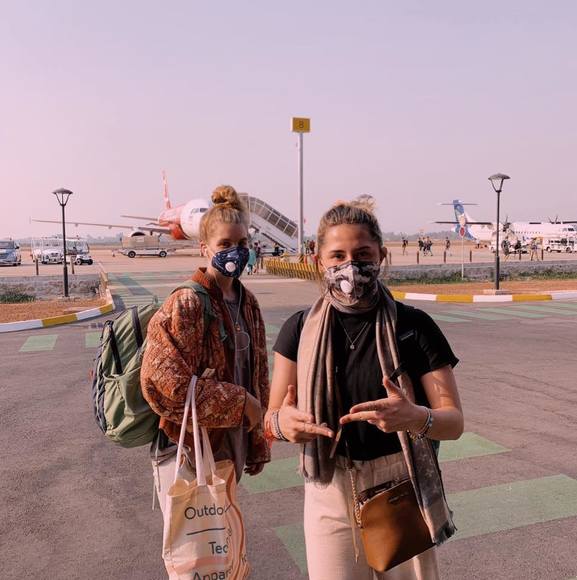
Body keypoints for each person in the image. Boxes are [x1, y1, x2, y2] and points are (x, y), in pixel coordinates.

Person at [266, 197, 463, 580]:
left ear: (381, 256)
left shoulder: (414, 327)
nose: (350, 267)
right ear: (318, 260)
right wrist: (282, 424)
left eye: (362, 254)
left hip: (399, 484)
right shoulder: (299, 329)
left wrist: (416, 417)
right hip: (328, 487)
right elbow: (271, 419)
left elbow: (453, 422)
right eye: (337, 256)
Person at [141, 185, 271, 509]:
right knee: (195, 539)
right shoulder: (187, 303)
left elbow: (258, 375)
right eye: (225, 244)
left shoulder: (248, 303)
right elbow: (164, 384)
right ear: (205, 248)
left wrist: (257, 442)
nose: (235, 252)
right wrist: (239, 402)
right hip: (188, 448)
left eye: (242, 244)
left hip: (231, 443)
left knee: (224, 536)